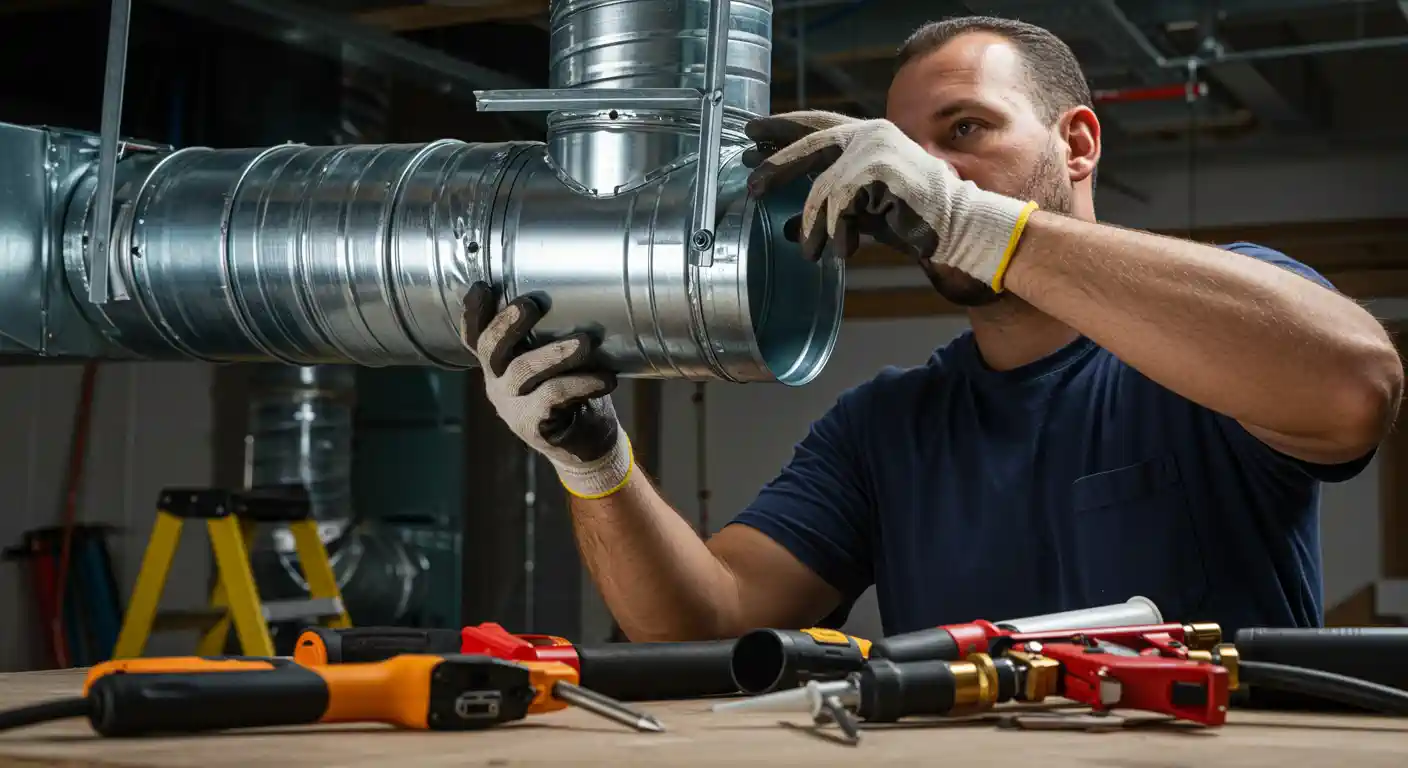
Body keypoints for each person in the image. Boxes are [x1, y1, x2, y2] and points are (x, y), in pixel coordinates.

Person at [459, 16, 1404, 641]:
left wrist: (974, 223)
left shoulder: (1215, 325)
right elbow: (710, 626)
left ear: (1076, 143)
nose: (927, 176)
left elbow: (1353, 390)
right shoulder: (886, 429)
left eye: (965, 132)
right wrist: (595, 464)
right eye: (910, 153)